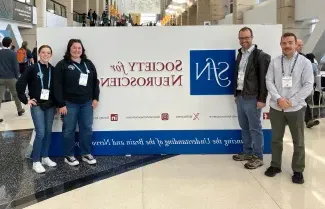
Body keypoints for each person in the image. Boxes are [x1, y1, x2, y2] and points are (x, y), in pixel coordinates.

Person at [265, 33, 314, 184]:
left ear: (295, 44)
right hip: (276, 107)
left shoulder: (304, 63)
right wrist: (279, 99)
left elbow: (308, 85)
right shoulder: (274, 62)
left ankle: (298, 170)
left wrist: (291, 102)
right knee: (276, 139)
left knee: (298, 141)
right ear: (280, 45)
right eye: (284, 43)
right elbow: (269, 81)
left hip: (296, 109)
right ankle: (275, 165)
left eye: (290, 42)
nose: (287, 46)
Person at [54, 39, 99, 166]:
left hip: (87, 103)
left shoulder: (88, 63)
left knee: (87, 129)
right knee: (69, 130)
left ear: (82, 50)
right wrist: (61, 104)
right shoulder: (62, 64)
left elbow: (95, 82)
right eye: (74, 48)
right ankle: (69, 156)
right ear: (69, 49)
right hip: (69, 104)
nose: (77, 50)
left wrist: (95, 98)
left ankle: (86, 154)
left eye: (79, 48)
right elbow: (57, 86)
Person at [232, 27, 271, 169]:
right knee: (244, 127)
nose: (244, 40)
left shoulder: (261, 56)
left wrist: (262, 99)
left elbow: (264, 80)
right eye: (241, 38)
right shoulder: (240, 54)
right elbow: (238, 75)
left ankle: (258, 157)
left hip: (253, 98)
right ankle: (247, 152)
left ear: (252, 37)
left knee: (255, 128)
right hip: (241, 96)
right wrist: (236, 93)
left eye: (246, 37)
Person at [16, 45, 57, 173]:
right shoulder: (32, 68)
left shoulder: (53, 70)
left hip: (50, 105)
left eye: (48, 53)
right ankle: (36, 161)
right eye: (43, 52)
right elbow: (20, 84)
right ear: (39, 54)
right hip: (37, 105)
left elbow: (56, 88)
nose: (46, 55)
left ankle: (44, 157)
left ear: (51, 55)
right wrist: (26, 99)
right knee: (40, 132)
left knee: (48, 132)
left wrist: (56, 103)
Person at [0, 37, 25, 122]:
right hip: (11, 78)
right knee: (16, 94)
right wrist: (17, 77)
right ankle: (20, 110)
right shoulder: (13, 54)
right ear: (10, 43)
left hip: (0, 78)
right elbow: (15, 67)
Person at [296, 39, 319, 128]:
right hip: (289, 85)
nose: (301, 47)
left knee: (303, 101)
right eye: (299, 45)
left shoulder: (304, 58)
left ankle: (309, 120)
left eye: (302, 45)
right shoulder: (285, 56)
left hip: (301, 84)